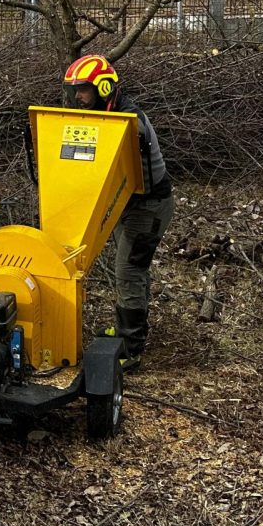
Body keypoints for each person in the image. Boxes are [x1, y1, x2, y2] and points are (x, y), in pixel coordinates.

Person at [61, 53, 173, 370]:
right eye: (75, 90)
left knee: (129, 270)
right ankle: (127, 332)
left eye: (83, 89)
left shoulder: (129, 121)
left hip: (148, 207)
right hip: (129, 204)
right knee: (129, 268)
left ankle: (131, 348)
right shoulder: (106, 113)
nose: (79, 97)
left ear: (104, 86)